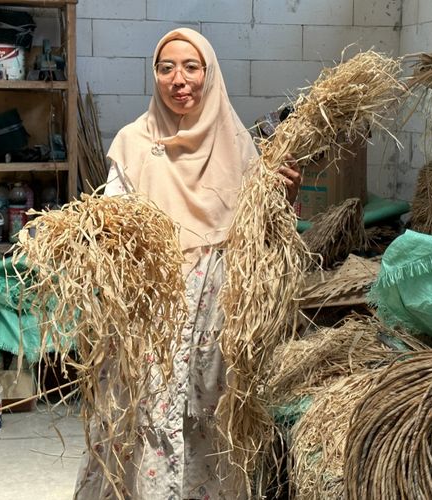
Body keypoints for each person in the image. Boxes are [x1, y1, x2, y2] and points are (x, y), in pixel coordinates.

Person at [74, 28, 301, 500]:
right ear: (154, 75)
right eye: (166, 68)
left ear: (209, 73)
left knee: (211, 409)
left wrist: (284, 196)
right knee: (148, 408)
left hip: (221, 298)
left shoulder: (238, 142)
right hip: (154, 302)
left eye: (191, 67)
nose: (179, 80)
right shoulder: (133, 142)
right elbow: (115, 218)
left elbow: (263, 230)